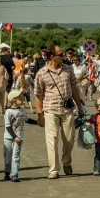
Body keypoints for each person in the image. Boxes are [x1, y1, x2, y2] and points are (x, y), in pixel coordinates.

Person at [33, 44, 84, 179]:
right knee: (52, 139)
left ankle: (66, 162)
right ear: (51, 56)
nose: (64, 56)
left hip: (67, 109)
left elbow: (74, 88)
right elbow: (38, 95)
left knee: (69, 140)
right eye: (60, 54)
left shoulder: (68, 69)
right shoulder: (41, 73)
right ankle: (53, 169)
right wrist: (40, 115)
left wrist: (79, 106)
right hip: (50, 110)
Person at [3, 91, 28, 182]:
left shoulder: (22, 110)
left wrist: (38, 122)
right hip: (9, 137)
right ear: (14, 100)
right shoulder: (8, 112)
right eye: (20, 98)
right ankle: (7, 172)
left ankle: (14, 175)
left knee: (16, 156)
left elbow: (27, 119)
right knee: (7, 156)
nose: (23, 99)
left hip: (19, 137)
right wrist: (14, 136)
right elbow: (8, 126)